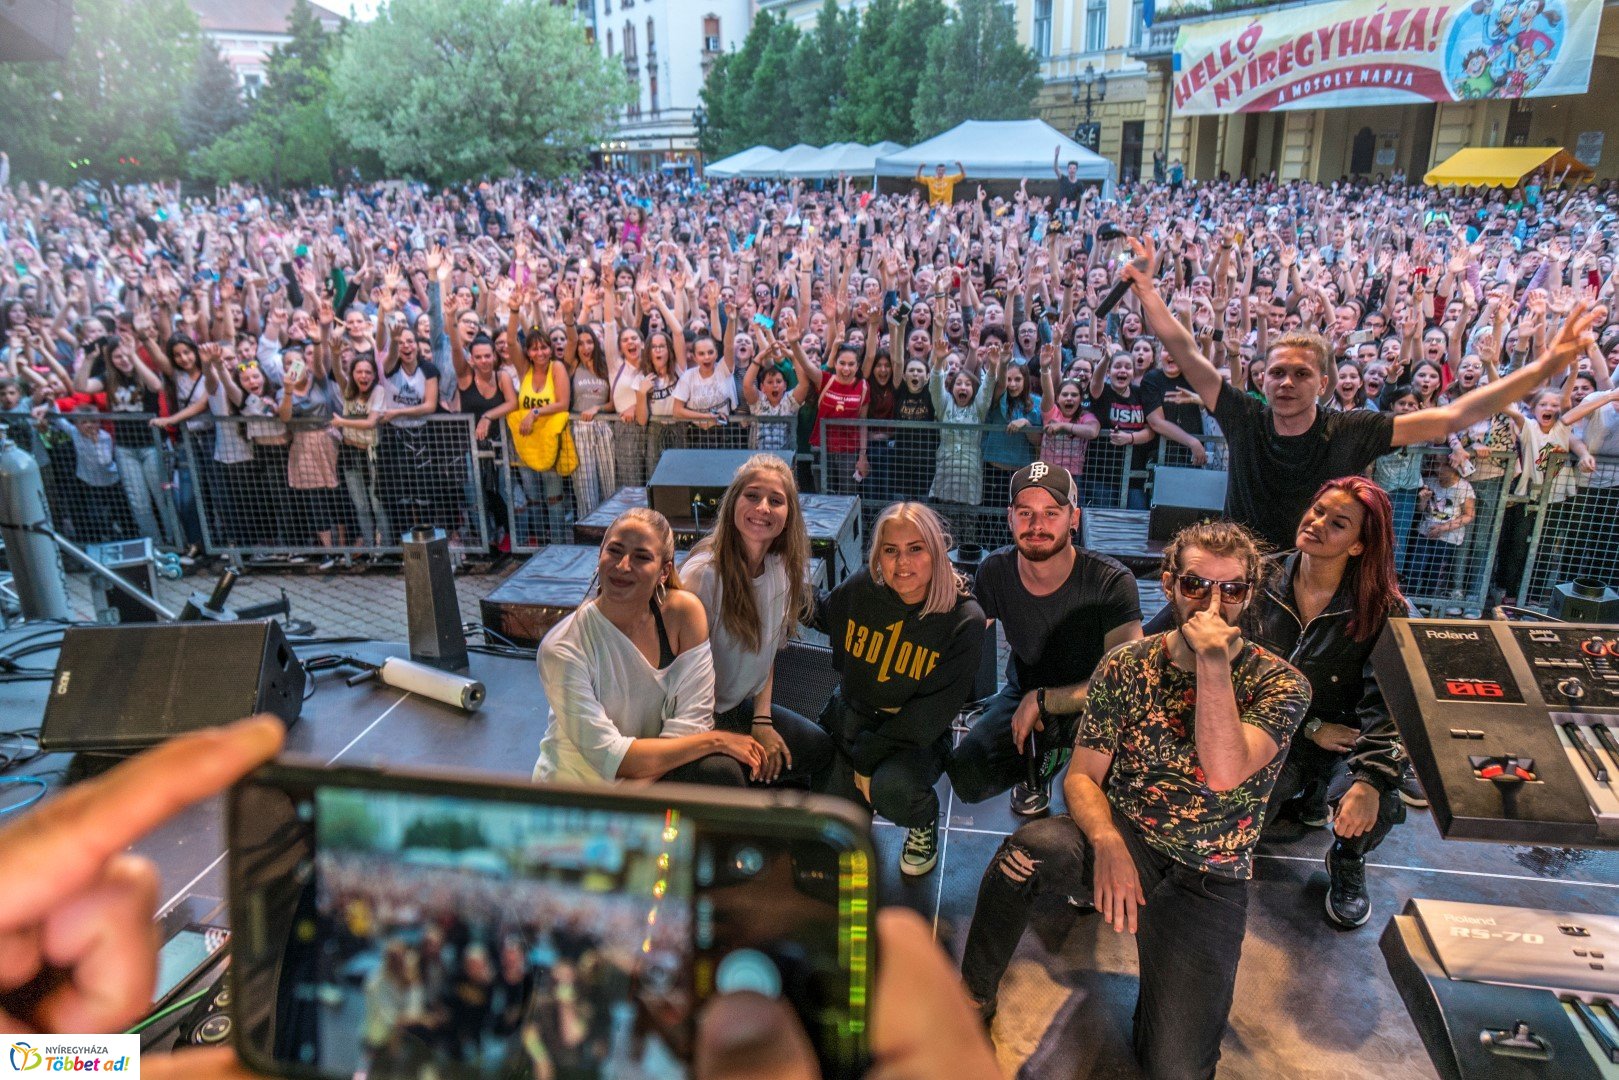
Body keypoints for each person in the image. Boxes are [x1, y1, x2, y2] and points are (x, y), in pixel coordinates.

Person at [959, 520, 1311, 1079]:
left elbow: (1223, 772)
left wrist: (1213, 663)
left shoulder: (1281, 684)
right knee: (1024, 851)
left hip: (1208, 875)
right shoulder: (1127, 666)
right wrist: (1106, 840)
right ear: (1169, 584)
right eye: (1196, 585)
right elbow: (1082, 776)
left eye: (1232, 589)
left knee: (1175, 1069)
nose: (1213, 603)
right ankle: (974, 994)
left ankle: (1167, 1001)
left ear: (1250, 594)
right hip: (1125, 836)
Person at [1124, 236, 1607, 552]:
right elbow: (1185, 350)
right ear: (1262, 379)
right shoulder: (1243, 415)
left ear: (1325, 384)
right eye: (1276, 373)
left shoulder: (1353, 429)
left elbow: (1453, 417)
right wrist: (1147, 291)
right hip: (1246, 571)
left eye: (1300, 374)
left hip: (1322, 574)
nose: (1286, 382)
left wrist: (1544, 365)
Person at [1246, 478, 1413, 928]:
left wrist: (1371, 780)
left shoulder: (1385, 608)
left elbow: (1390, 708)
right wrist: (1312, 726)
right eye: (1317, 510)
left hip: (1347, 739)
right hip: (1276, 729)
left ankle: (1346, 857)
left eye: (1337, 523)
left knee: (1380, 804)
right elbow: (1239, 678)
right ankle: (1304, 799)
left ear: (1359, 546)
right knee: (1240, 808)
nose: (1317, 524)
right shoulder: (1257, 579)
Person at [949, 461, 1143, 816]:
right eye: (1026, 512)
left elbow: (1126, 683)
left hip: (1092, 702)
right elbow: (965, 636)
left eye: (1051, 513)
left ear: (1074, 518)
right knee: (967, 775)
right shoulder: (995, 570)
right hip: (1023, 691)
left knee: (1102, 795)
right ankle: (1037, 750)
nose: (1037, 525)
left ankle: (1049, 758)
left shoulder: (1111, 582)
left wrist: (1045, 701)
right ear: (1010, 517)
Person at [813, 501, 987, 876]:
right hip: (852, 718)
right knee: (828, 842)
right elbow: (826, 615)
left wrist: (864, 760)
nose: (902, 563)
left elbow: (927, 719)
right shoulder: (863, 587)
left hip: (910, 735)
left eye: (915, 549)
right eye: (891, 550)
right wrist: (778, 581)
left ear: (937, 551)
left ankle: (923, 820)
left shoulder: (963, 619)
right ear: (878, 556)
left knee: (892, 789)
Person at [533, 507, 765, 786]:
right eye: (615, 551)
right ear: (599, 556)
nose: (622, 566)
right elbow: (613, 757)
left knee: (723, 772)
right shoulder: (563, 647)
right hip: (578, 798)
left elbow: (694, 721)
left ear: (664, 572)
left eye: (641, 557)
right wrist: (716, 740)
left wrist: (639, 794)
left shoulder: (683, 614)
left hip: (644, 779)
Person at [681, 455, 834, 786]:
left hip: (739, 708)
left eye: (776, 500)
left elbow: (766, 656)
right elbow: (676, 680)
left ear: (788, 515)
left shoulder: (782, 571)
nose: (763, 507)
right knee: (728, 777)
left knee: (820, 749)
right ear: (734, 501)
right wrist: (724, 740)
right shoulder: (703, 576)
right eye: (753, 495)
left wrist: (762, 722)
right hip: (695, 722)